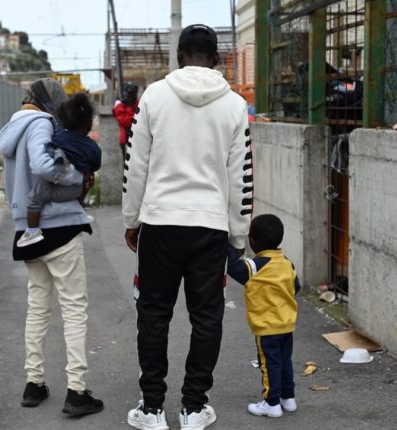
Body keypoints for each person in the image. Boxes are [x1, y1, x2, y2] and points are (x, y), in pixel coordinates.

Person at [123, 24, 253, 430]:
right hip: (210, 227)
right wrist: (238, 234)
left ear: (179, 55)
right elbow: (241, 177)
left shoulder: (154, 98)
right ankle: (195, 408)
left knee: (154, 314)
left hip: (160, 223)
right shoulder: (234, 105)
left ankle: (152, 409)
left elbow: (135, 166)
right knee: (207, 317)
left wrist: (132, 221)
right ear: (216, 59)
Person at [0, 77, 103, 417]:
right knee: (73, 309)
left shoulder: (12, 127)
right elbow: (43, 165)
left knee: (38, 306)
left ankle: (34, 382)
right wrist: (76, 178)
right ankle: (76, 391)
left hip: (27, 230)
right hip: (58, 226)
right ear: (50, 105)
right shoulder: (41, 123)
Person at [226, 214, 300, 418]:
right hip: (287, 324)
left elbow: (234, 268)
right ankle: (288, 398)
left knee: (269, 364)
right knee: (285, 361)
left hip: (267, 327)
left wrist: (225, 243)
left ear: (252, 240)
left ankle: (271, 403)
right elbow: (296, 287)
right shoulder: (287, 263)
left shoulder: (257, 266)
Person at [17, 93, 102, 247]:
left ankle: (32, 231)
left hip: (60, 189)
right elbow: (96, 164)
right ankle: (81, 207)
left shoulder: (59, 137)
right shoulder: (92, 146)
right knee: (89, 181)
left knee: (35, 197)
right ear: (88, 123)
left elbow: (46, 156)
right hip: (78, 190)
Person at [113, 82, 139, 164]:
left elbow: (141, 116)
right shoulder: (120, 105)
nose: (131, 96)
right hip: (125, 138)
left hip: (137, 136)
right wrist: (131, 110)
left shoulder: (136, 103)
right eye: (129, 94)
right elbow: (124, 121)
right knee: (127, 163)